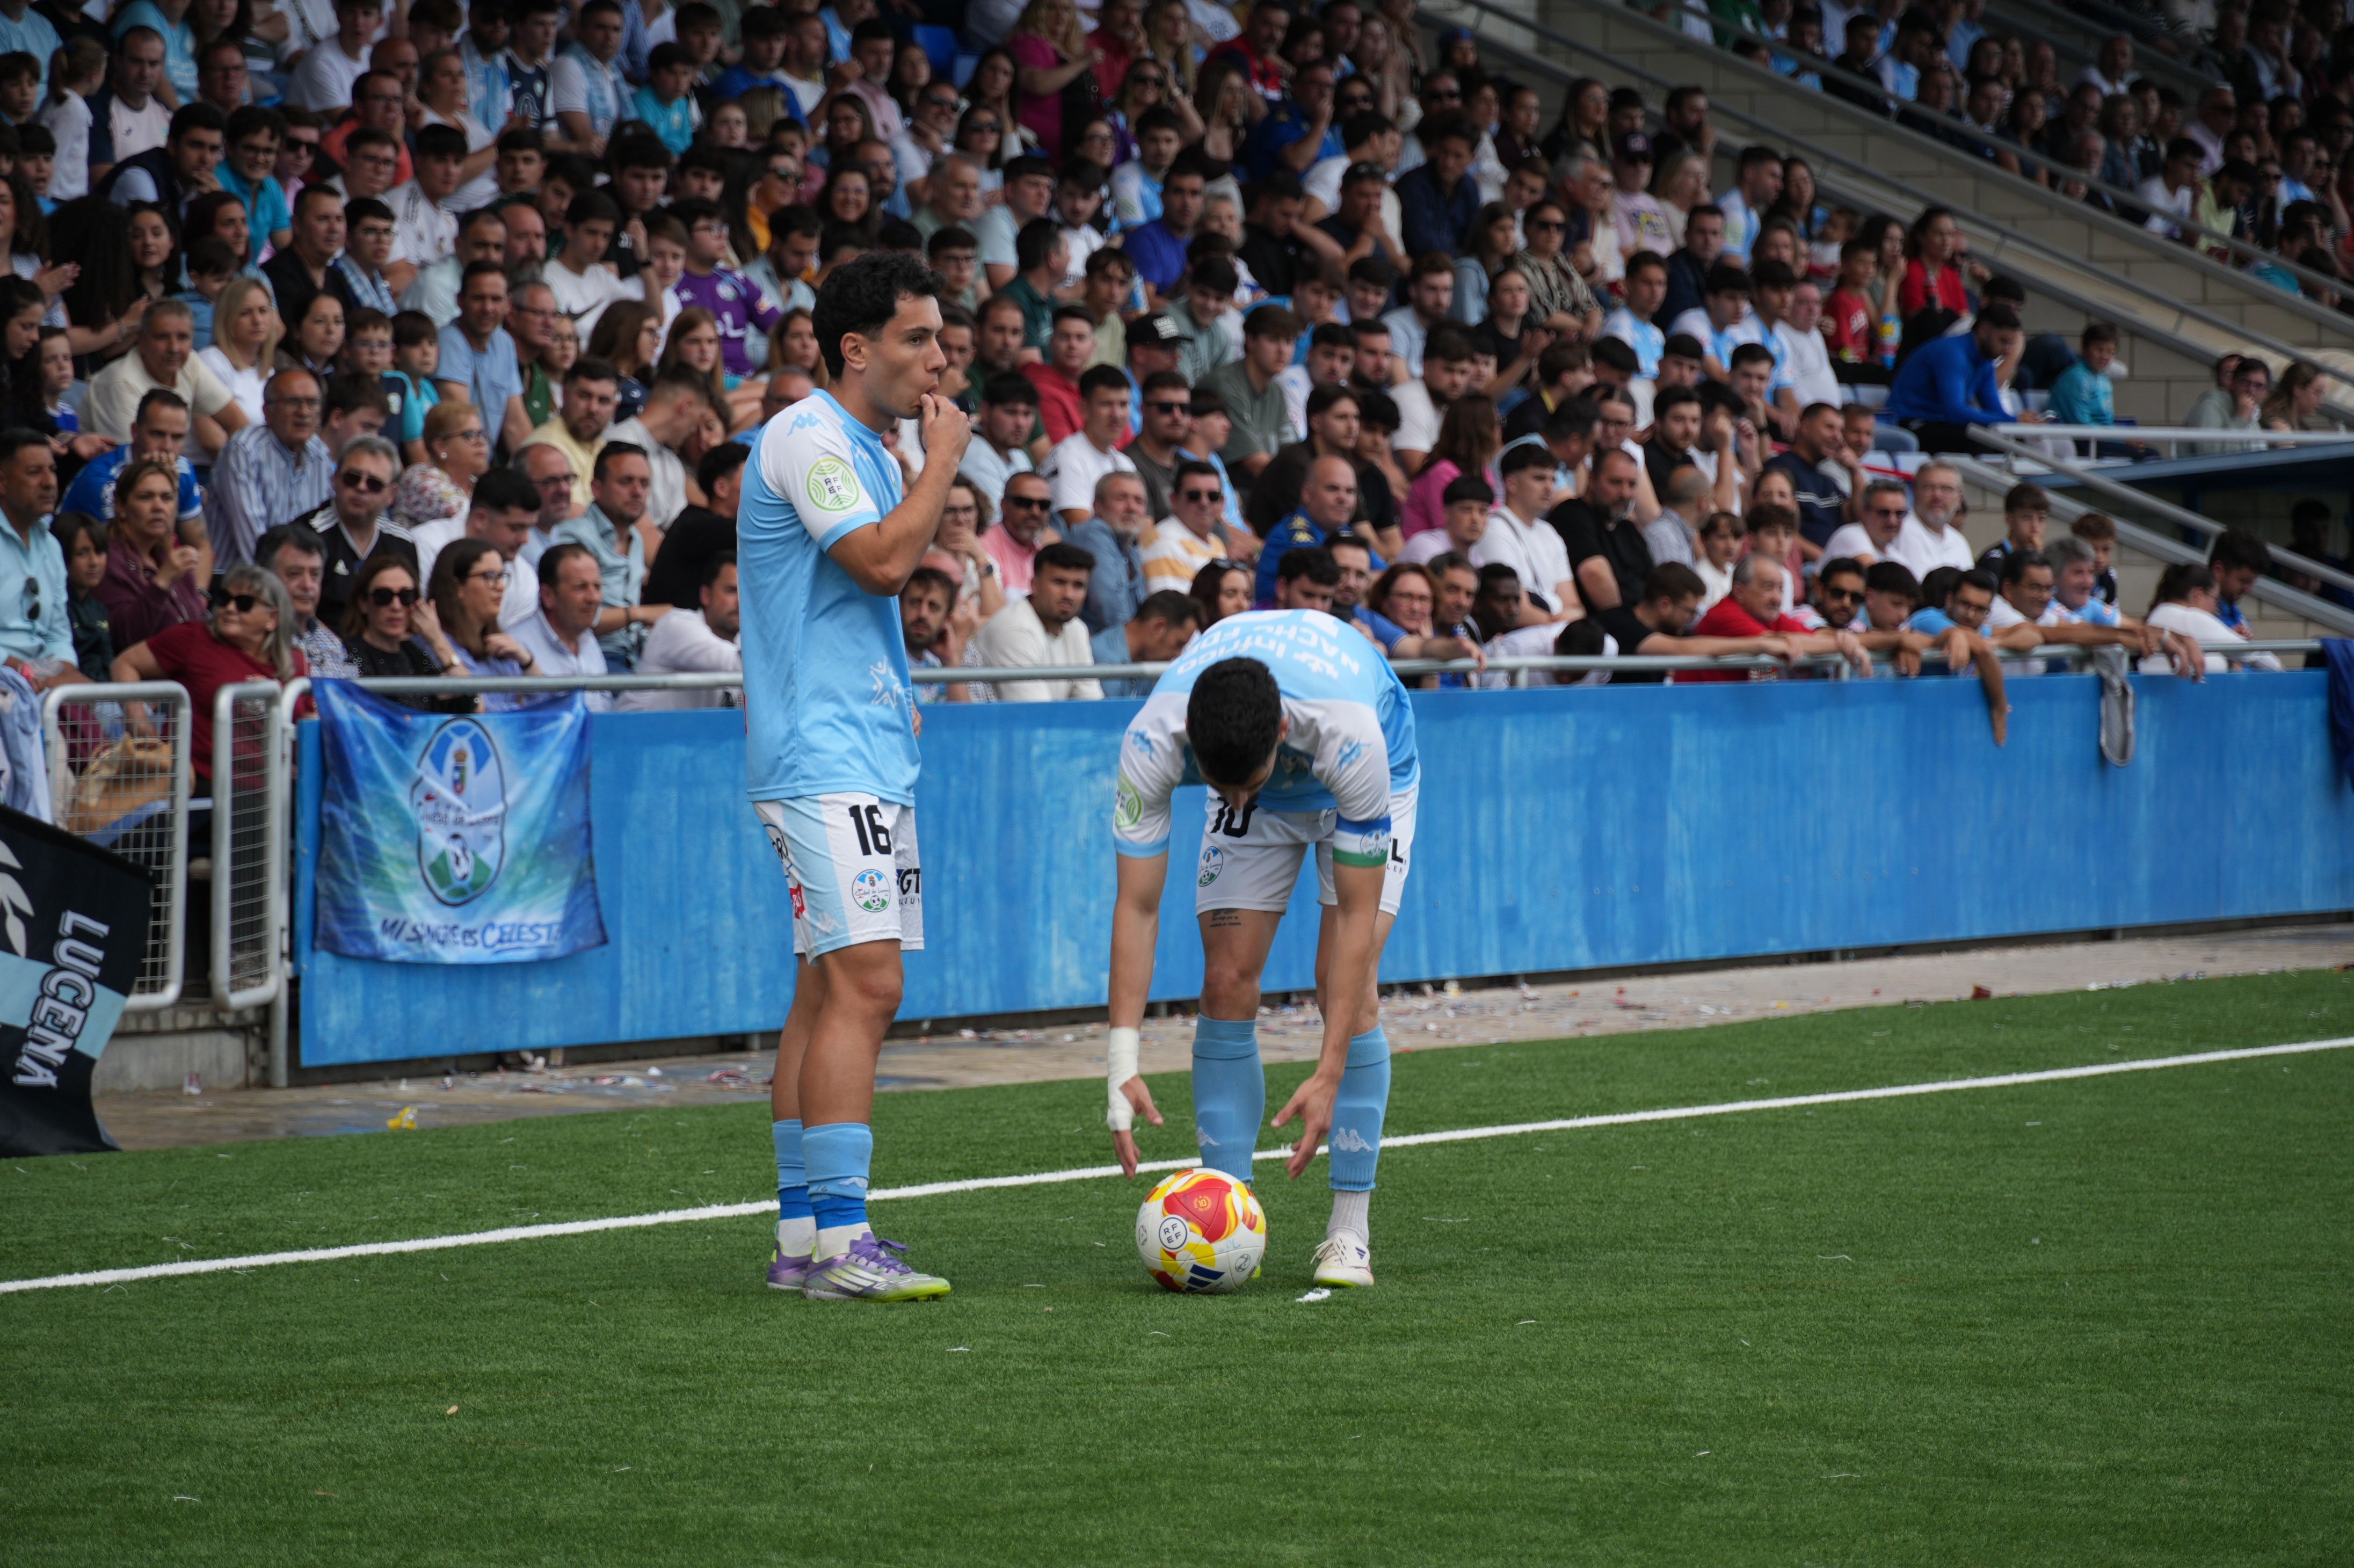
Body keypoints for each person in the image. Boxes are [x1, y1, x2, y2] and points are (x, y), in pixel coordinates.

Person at [740, 251, 969, 1303]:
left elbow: (866, 600)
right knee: (871, 984)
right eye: (918, 338)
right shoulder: (807, 436)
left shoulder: (867, 447)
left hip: (864, 749)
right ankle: (844, 1242)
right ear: (854, 348)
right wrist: (941, 466)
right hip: (820, 759)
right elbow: (880, 562)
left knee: (824, 986)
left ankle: (801, 1236)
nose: (938, 358)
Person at [1103, 606, 1418, 1288]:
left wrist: (1329, 1070)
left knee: (1346, 982)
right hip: (1264, 774)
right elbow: (1136, 903)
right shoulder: (1152, 740)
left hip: (1363, 782)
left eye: (1246, 781)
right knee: (1224, 979)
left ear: (1280, 731)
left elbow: (1358, 917)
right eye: (1221, 789)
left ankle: (1349, 1231)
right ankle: (1225, 1208)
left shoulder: (1351, 737)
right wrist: (1119, 1060)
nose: (1237, 798)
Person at [112, 562, 307, 786]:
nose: (230, 608)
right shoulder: (194, 639)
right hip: (204, 786)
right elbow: (125, 663)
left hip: (274, 790)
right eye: (224, 599)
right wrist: (141, 726)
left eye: (244, 603)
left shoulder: (296, 661)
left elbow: (307, 725)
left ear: (273, 619)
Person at [967, 538, 1103, 700]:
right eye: (1059, 582)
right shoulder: (1015, 630)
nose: (1069, 595)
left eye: (1078, 585)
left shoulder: (1077, 628)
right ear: (1034, 585)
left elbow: (1090, 704)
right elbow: (1035, 716)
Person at [336, 549, 473, 706]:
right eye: (383, 597)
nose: (396, 606)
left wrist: (438, 639)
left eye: (406, 596)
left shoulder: (414, 653)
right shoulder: (349, 654)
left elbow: (471, 701)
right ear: (363, 603)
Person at [615, 549, 742, 710]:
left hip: (688, 734)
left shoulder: (741, 640)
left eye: (746, 593)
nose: (740, 602)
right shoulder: (678, 625)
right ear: (706, 595)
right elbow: (737, 664)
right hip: (633, 732)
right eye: (731, 591)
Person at [254, 521, 359, 678]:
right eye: (294, 574)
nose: (308, 585)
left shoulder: (332, 641)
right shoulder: (252, 637)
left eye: (315, 575)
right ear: (265, 577)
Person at [508, 538, 612, 696]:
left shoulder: (588, 640)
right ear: (548, 595)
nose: (594, 598)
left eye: (597, 587)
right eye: (581, 587)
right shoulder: (517, 646)